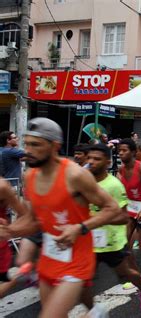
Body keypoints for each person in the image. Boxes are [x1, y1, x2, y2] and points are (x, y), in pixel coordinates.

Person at [0, 117, 122, 317]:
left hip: (77, 259)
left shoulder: (75, 175)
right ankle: (96, 313)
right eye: (27, 144)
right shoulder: (30, 176)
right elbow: (34, 221)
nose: (28, 150)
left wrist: (79, 228)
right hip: (49, 257)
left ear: (54, 145)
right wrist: (10, 231)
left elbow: (112, 208)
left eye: (36, 145)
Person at [82, 143, 141, 311]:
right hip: (88, 240)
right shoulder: (83, 182)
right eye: (89, 158)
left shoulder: (113, 185)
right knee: (83, 280)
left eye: (97, 159)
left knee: (125, 274)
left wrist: (96, 220)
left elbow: (122, 218)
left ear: (107, 162)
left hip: (112, 241)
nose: (92, 162)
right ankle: (93, 312)